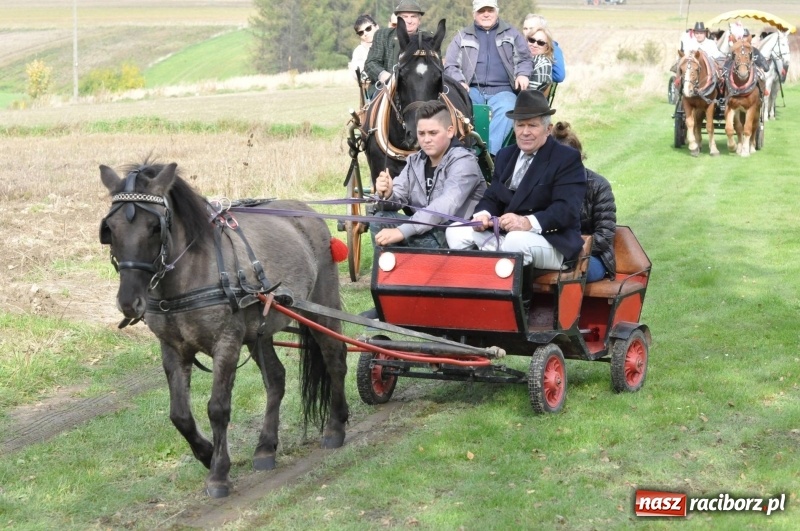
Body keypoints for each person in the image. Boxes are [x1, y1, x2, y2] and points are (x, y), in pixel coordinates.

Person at [446, 90, 586, 271]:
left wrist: (528, 222)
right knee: (455, 231)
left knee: (515, 242)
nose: (525, 132)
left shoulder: (566, 158)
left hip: (552, 241)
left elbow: (566, 209)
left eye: (532, 126)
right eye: (520, 125)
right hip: (508, 236)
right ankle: (476, 288)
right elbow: (492, 197)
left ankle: (514, 295)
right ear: (514, 127)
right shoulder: (505, 155)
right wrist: (483, 215)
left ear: (548, 129)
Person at [371, 100, 487, 248]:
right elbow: (398, 194)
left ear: (450, 131)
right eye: (421, 133)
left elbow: (446, 204)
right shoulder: (415, 161)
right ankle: (389, 269)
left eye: (433, 133)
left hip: (452, 235)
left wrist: (403, 230)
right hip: (423, 228)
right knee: (380, 219)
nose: (426, 140)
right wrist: (387, 195)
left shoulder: (464, 162)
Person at [444, 0, 532, 156]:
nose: (486, 14)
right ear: (474, 14)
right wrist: (460, 82)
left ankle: (487, 155)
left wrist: (523, 74)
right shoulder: (462, 36)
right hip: (471, 90)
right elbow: (450, 65)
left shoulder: (511, 34)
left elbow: (525, 58)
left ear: (496, 11)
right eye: (481, 11)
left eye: (489, 10)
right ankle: (464, 153)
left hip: (503, 90)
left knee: (507, 110)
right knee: (458, 110)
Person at [551, 121, 616, 282]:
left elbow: (605, 235)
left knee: (569, 271)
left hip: (593, 256)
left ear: (579, 158)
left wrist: (569, 247)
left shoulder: (599, 186)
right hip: (554, 253)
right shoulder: (543, 185)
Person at [364, 0, 425, 87]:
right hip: (387, 86)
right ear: (398, 20)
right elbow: (371, 63)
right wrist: (383, 75)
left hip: (421, 88)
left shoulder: (428, 39)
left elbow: (436, 67)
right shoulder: (383, 35)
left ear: (419, 20)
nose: (409, 20)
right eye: (405, 17)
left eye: (413, 16)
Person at [522, 14, 565, 83]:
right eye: (525, 28)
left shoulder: (553, 48)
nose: (528, 32)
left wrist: (538, 74)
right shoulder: (519, 45)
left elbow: (559, 76)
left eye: (531, 28)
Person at [349, 14, 379, 82]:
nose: (365, 33)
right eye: (361, 32)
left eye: (368, 29)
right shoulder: (359, 52)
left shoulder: (389, 44)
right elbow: (362, 77)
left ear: (377, 27)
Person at [525, 25, 554, 93]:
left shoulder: (543, 63)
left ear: (547, 47)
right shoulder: (520, 57)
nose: (534, 45)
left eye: (540, 43)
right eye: (532, 40)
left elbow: (532, 94)